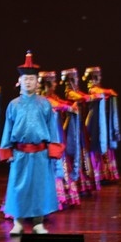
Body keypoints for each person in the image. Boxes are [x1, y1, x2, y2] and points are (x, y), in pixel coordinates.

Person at [0, 52, 63, 236]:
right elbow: (7, 129)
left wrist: (53, 151)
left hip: (40, 154)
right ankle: (17, 222)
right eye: (25, 79)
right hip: (20, 154)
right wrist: (7, 152)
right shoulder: (13, 105)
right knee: (18, 188)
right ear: (20, 81)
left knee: (39, 187)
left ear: (37, 82)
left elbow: (52, 129)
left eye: (31, 79)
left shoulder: (45, 104)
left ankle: (38, 222)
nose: (28, 82)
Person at [40, 70, 81, 209]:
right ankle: (52, 197)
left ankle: (61, 194)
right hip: (48, 138)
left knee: (61, 161)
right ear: (47, 84)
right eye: (53, 82)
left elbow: (60, 103)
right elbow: (56, 105)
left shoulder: (53, 97)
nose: (56, 84)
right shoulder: (43, 100)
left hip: (57, 135)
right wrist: (69, 107)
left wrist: (70, 106)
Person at [84, 66, 121, 183]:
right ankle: (99, 174)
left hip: (101, 121)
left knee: (104, 144)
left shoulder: (98, 90)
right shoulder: (93, 90)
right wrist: (109, 91)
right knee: (96, 143)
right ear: (94, 77)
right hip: (94, 121)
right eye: (98, 75)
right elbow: (98, 92)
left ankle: (106, 174)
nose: (100, 77)